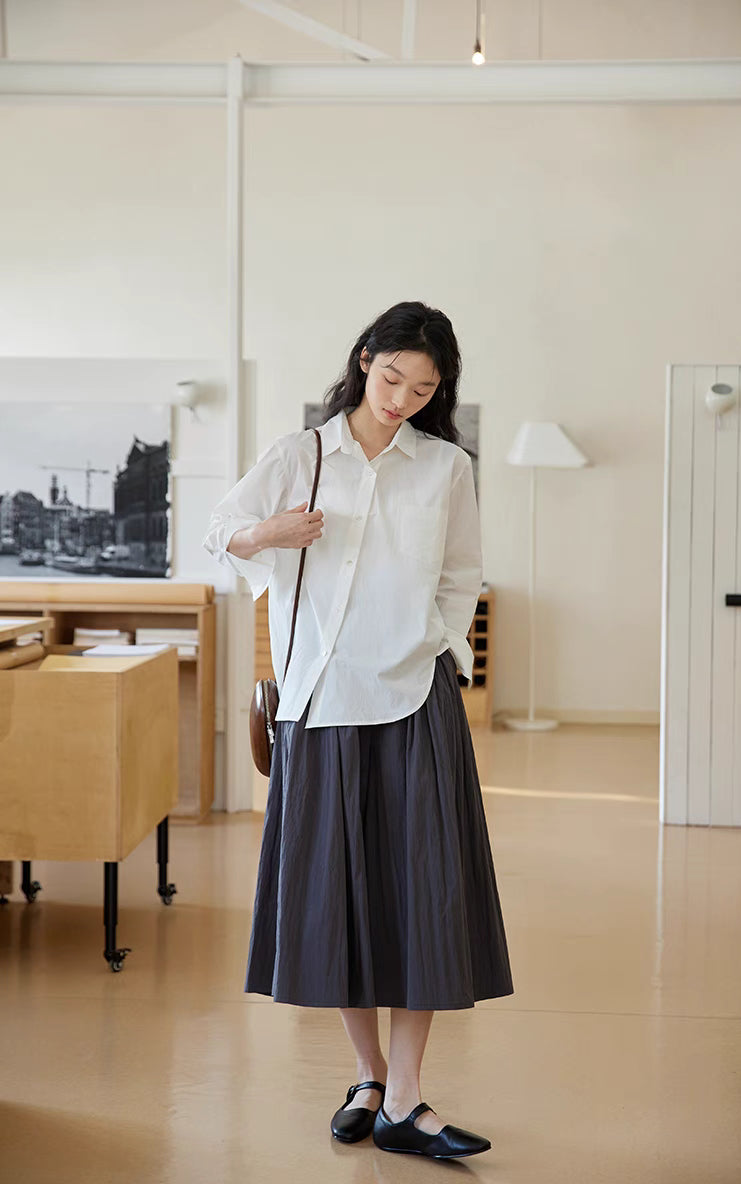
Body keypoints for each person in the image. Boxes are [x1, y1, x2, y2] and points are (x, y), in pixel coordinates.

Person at [203, 300, 513, 1159]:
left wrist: (443, 654)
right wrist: (267, 532)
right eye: (391, 378)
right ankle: (369, 1076)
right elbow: (216, 532)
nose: (402, 399)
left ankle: (408, 1100)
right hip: (319, 703)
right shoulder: (298, 455)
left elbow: (463, 577)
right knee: (341, 898)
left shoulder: (446, 467)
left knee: (424, 898)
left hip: (416, 699)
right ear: (365, 359)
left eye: (422, 389)